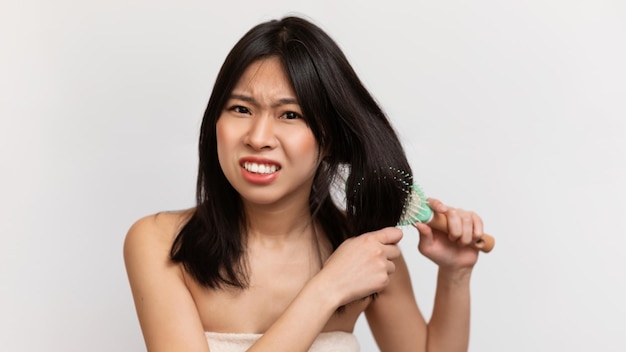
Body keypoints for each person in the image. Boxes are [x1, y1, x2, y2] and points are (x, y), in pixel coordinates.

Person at [124, 15, 486, 352]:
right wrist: (327, 290)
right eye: (241, 109)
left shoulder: (363, 246)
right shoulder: (160, 242)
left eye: (290, 115)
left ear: (328, 138)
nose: (259, 137)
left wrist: (456, 274)